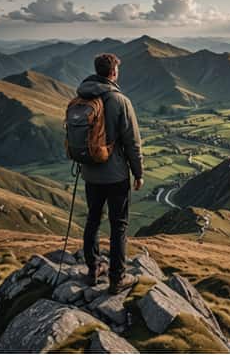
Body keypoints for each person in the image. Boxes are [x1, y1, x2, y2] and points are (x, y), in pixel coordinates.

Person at [77, 53, 144, 294]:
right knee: (119, 226)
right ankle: (117, 279)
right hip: (115, 175)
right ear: (113, 72)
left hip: (90, 173)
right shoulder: (119, 100)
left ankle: (94, 269)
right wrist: (138, 172)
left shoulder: (83, 95)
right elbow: (132, 142)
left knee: (93, 219)